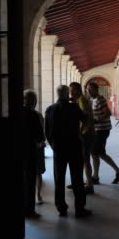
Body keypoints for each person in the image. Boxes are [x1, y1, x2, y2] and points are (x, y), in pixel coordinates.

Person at [44, 85, 92, 218]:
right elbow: (85, 119)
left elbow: (47, 131)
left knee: (59, 178)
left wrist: (53, 146)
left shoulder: (50, 109)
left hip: (59, 148)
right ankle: (79, 208)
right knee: (77, 178)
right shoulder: (73, 107)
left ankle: (61, 208)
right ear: (67, 94)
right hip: (74, 147)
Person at [87, 81, 119, 184]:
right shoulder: (94, 100)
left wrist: (96, 120)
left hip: (101, 130)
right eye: (87, 89)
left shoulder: (100, 99)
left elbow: (108, 113)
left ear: (96, 89)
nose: (88, 91)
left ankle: (97, 176)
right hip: (99, 130)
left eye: (90, 89)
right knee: (98, 153)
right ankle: (115, 172)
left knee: (96, 153)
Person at [69, 82, 96, 194]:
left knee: (85, 160)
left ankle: (89, 185)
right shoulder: (80, 100)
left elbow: (85, 119)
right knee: (83, 160)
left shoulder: (82, 100)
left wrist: (79, 132)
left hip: (86, 134)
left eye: (71, 90)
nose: (70, 93)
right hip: (87, 133)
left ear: (76, 90)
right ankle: (80, 182)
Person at [22, 90, 45, 218]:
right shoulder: (34, 115)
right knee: (30, 181)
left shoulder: (15, 113)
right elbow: (40, 136)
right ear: (34, 101)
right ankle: (29, 211)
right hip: (30, 151)